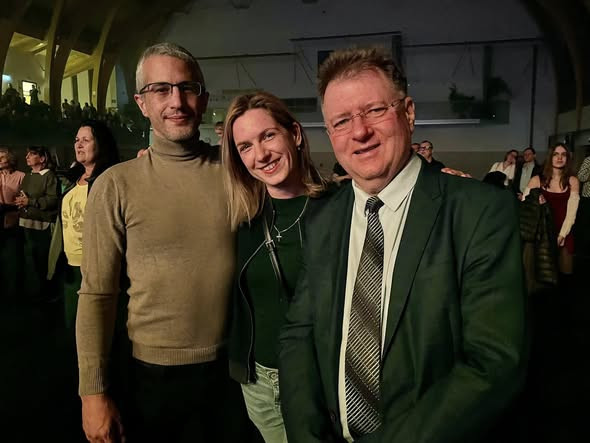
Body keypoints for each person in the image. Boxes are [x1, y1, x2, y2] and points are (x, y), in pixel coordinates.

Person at [279, 47, 527, 443]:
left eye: (374, 110)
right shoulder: (323, 218)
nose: (359, 131)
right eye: (341, 121)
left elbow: (493, 362)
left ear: (408, 112)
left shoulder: (479, 211)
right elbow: (299, 334)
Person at [76, 42, 250, 443]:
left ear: (203, 98)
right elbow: (97, 294)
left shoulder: (238, 172)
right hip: (150, 379)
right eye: (161, 89)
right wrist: (92, 392)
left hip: (235, 373)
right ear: (141, 103)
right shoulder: (115, 185)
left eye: (187, 88)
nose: (177, 101)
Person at [222, 91, 328, 442]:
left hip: (321, 380)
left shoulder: (338, 208)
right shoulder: (244, 221)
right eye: (245, 147)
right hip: (260, 384)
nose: (261, 154)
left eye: (268, 136)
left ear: (294, 134)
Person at [47, 120, 120, 329]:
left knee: (96, 329)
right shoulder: (72, 181)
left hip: (97, 269)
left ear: (101, 144)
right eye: (76, 140)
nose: (79, 145)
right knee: (72, 327)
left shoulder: (110, 180)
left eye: (86, 140)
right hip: (70, 268)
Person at [524, 143, 580, 279]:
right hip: (541, 232)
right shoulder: (536, 180)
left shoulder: (573, 181)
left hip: (564, 230)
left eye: (563, 155)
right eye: (556, 154)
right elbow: (525, 206)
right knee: (539, 274)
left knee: (565, 273)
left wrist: (561, 236)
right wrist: (535, 202)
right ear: (550, 157)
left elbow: (571, 214)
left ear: (567, 159)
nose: (559, 158)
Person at [15, 146, 59, 300]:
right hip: (25, 222)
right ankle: (35, 291)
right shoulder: (28, 176)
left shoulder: (49, 176)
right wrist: (21, 201)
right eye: (27, 154)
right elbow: (23, 194)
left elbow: (52, 200)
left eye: (32, 154)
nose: (27, 156)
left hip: (41, 225)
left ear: (42, 158)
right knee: (31, 260)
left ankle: (48, 293)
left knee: (43, 260)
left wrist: (31, 202)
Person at [0, 147, 25, 300]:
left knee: (14, 256)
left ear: (11, 159)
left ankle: (16, 291)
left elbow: (24, 199)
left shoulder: (21, 176)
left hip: (13, 220)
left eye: (2, 157)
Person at [576, 152, 590, 261]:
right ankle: (584, 252)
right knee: (586, 225)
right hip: (588, 198)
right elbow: (580, 176)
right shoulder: (588, 160)